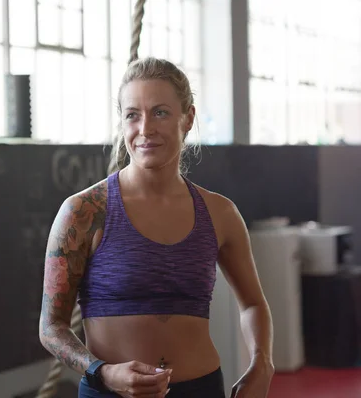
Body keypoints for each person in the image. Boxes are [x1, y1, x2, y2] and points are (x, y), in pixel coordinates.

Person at [39, 57, 274, 398]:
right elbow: (51, 327)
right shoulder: (84, 212)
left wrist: (262, 364)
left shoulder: (220, 213)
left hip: (202, 389)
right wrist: (102, 371)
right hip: (110, 392)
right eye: (132, 114)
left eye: (160, 112)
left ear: (187, 118)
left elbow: (253, 304)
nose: (145, 128)